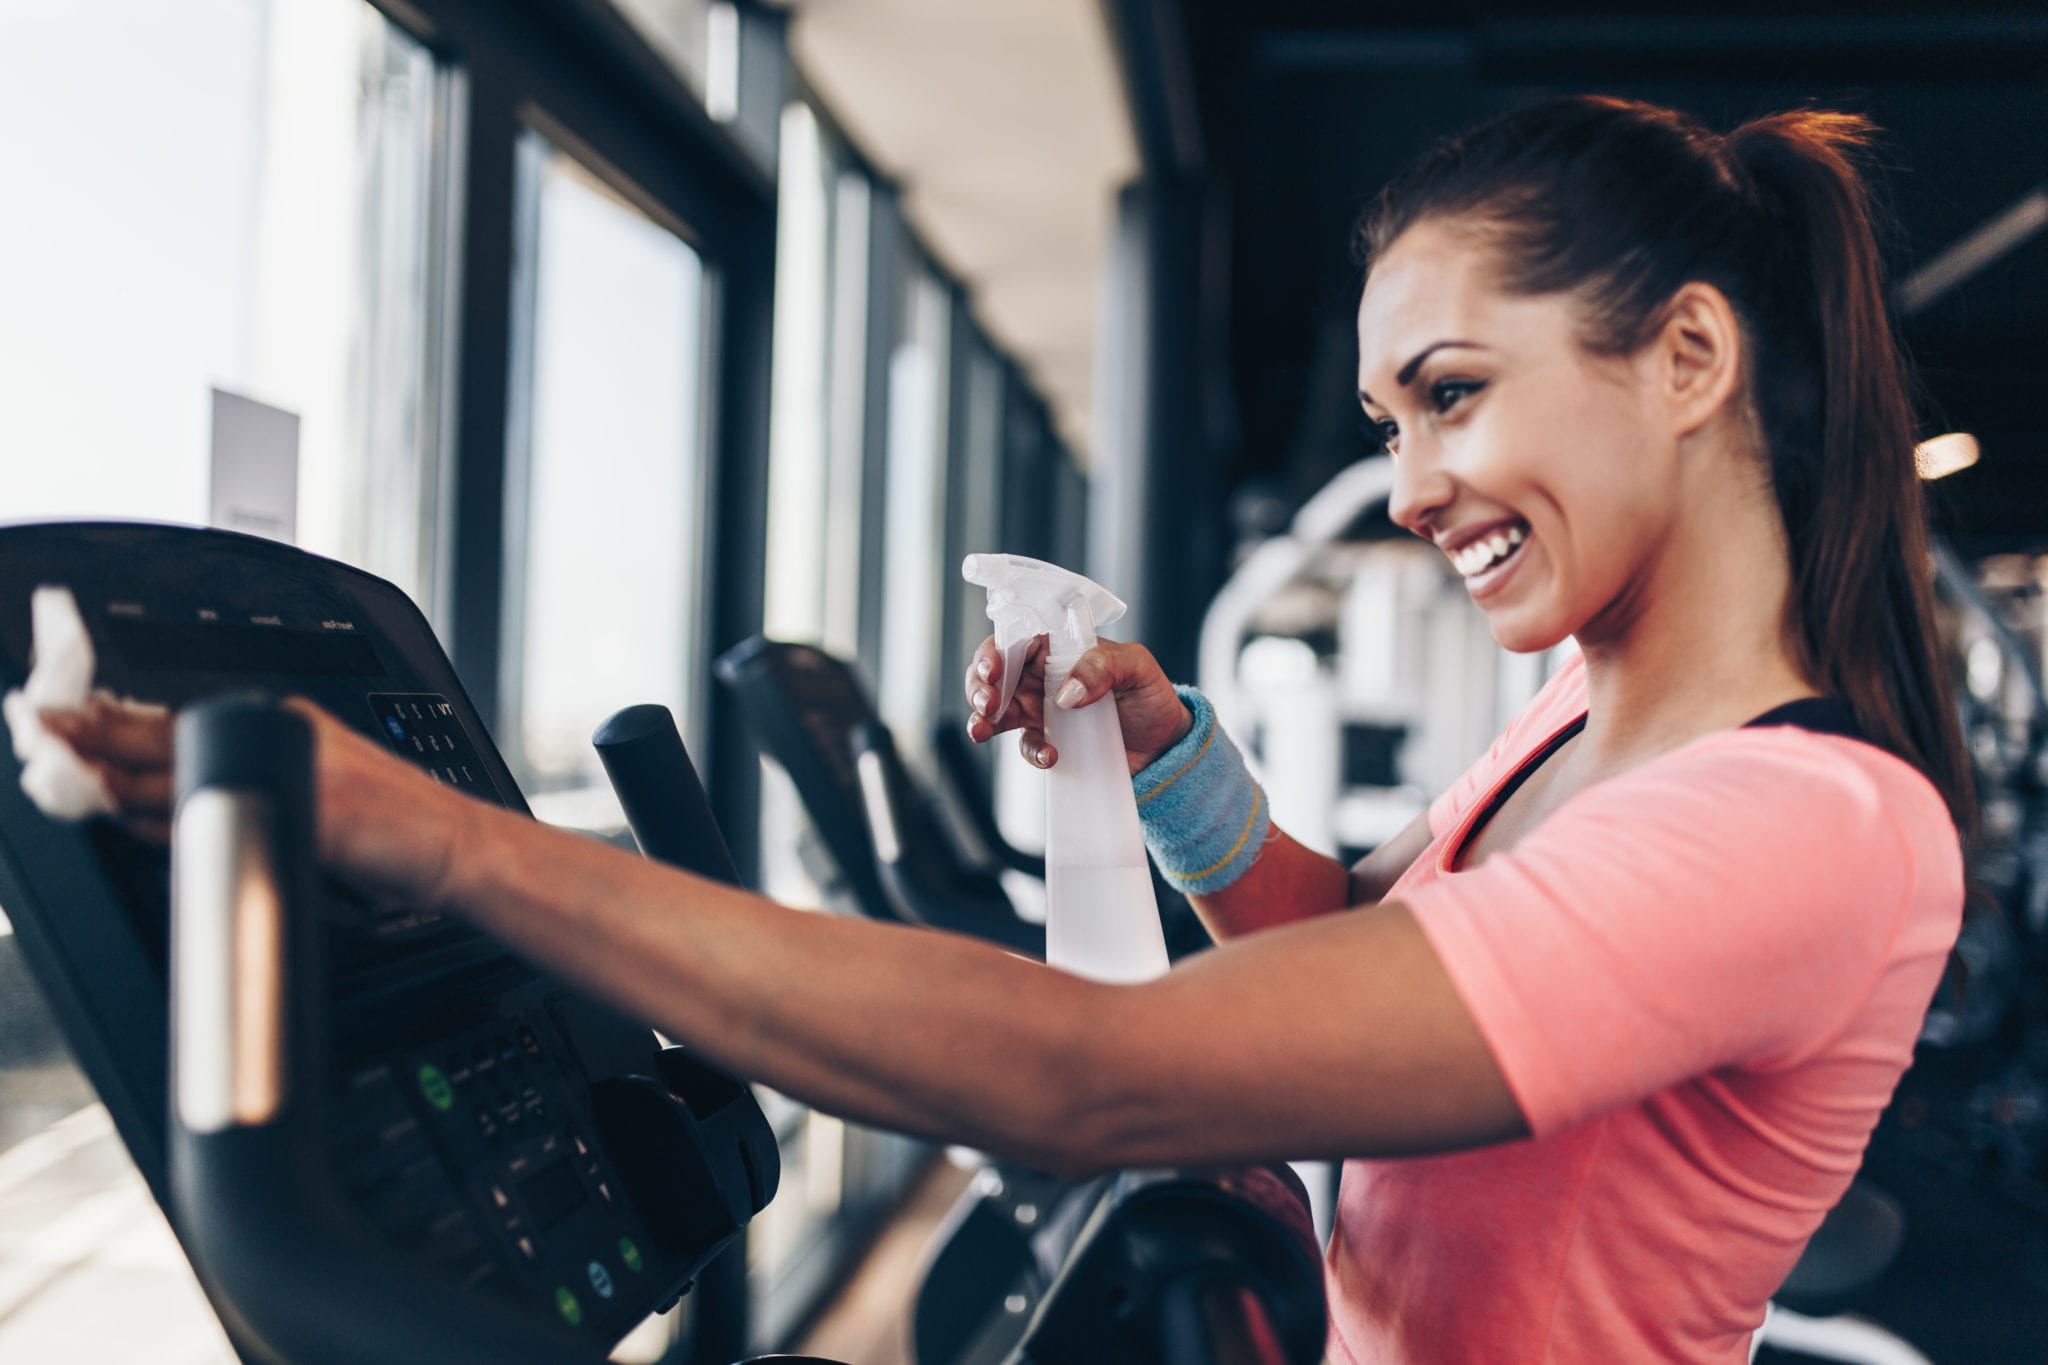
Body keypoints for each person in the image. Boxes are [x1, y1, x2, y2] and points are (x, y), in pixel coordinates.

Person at [45, 95, 1968, 1363]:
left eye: (1450, 395)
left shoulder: (1799, 830)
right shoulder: (1576, 718)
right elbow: (1354, 964)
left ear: (1691, 359)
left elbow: (1096, 1077)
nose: (1406, 483)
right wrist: (1160, 749)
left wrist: (457, 841)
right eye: (1389, 422)